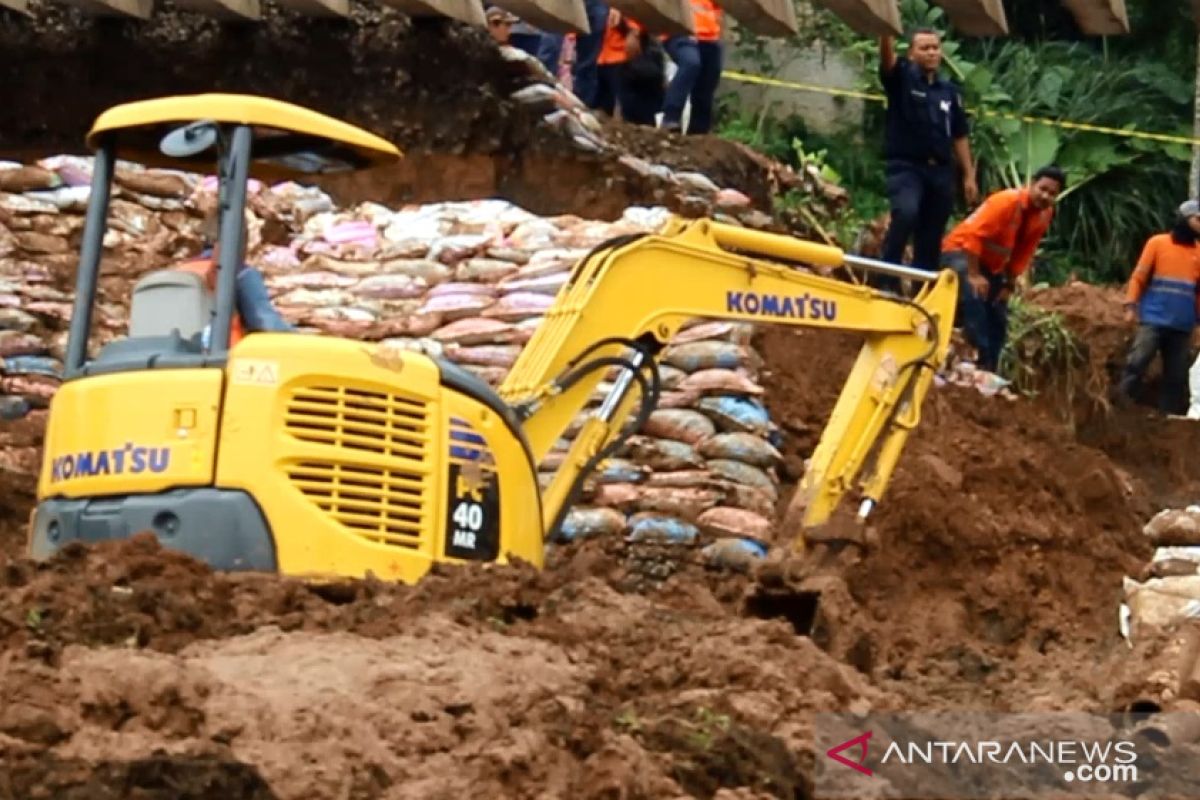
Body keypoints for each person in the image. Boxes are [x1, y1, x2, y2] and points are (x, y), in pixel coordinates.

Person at [876, 27, 978, 294]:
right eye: (924, 48)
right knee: (906, 213)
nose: (932, 53)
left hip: (941, 172)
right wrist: (884, 30)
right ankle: (887, 278)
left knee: (931, 236)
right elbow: (886, 62)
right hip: (907, 167)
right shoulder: (903, 78)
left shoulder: (949, 91)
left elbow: (959, 134)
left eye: (935, 47)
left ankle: (922, 292)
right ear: (911, 53)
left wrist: (968, 174)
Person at [939, 165, 1066, 372]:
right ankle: (975, 356)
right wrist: (973, 274)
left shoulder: (1044, 215)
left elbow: (1024, 251)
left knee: (998, 312)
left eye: (1052, 193)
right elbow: (973, 236)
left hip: (991, 265)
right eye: (1042, 188)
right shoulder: (1006, 202)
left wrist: (1009, 282)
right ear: (1032, 184)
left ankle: (990, 367)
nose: (1045, 196)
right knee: (975, 296)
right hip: (960, 252)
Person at [1117, 200, 1200, 414]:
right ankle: (1120, 406)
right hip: (1154, 319)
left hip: (1182, 324)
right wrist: (1130, 306)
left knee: (1176, 375)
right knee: (1137, 362)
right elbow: (1139, 277)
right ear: (1183, 219)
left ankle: (1167, 418)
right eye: (1197, 220)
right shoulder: (1157, 243)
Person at [179, 207, 293, 348]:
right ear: (240, 241)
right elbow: (266, 323)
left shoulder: (180, 272)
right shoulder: (238, 274)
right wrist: (297, 338)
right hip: (225, 357)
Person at [660, 0, 723, 135]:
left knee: (708, 79)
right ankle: (670, 117)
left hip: (709, 37)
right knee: (690, 63)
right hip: (679, 32)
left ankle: (699, 131)